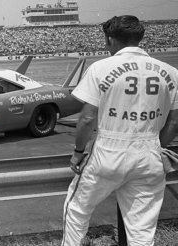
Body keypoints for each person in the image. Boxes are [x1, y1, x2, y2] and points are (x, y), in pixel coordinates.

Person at [62, 15, 178, 245]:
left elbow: (87, 118)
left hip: (108, 151)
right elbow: (174, 123)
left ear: (111, 39)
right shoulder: (171, 72)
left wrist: (78, 151)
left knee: (76, 210)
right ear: (139, 38)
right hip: (149, 153)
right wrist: (156, 147)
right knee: (142, 231)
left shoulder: (100, 68)